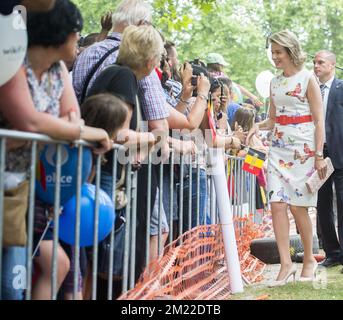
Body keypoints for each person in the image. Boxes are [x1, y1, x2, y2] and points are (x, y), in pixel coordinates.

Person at [247, 30, 326, 285]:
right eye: (272, 52)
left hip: (303, 151)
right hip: (278, 151)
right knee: (277, 205)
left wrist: (319, 154)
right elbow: (272, 119)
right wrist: (257, 127)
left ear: (291, 51)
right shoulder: (275, 83)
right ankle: (285, 263)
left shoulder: (308, 79)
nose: (274, 57)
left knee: (298, 208)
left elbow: (319, 119)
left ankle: (309, 260)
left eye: (278, 52)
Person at [313, 50, 343, 269]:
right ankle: (331, 252)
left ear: (332, 65)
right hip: (318, 154)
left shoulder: (341, 88)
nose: (316, 66)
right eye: (314, 62)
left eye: (321, 62)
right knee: (322, 204)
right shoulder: (309, 89)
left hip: (340, 152)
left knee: (342, 204)